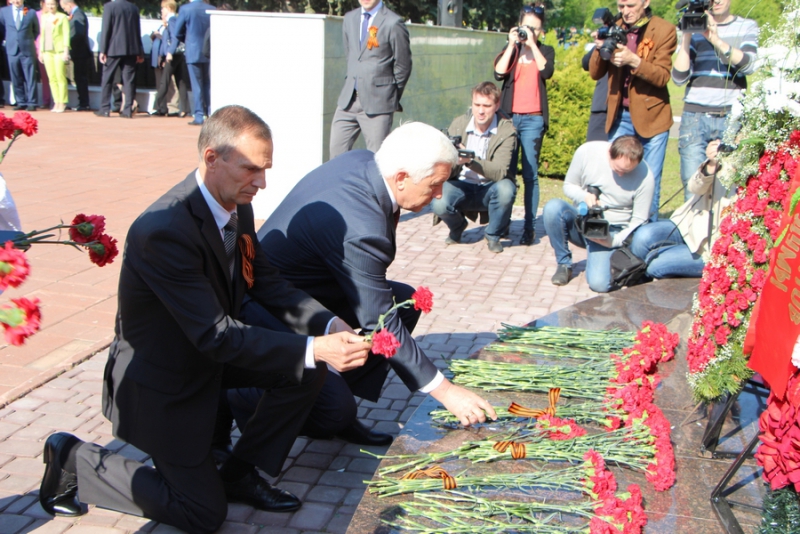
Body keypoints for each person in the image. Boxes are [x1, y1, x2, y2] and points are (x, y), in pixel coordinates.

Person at [37, 106, 373, 532]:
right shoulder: (165, 230)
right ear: (212, 158)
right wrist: (313, 347)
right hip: (165, 381)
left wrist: (326, 325)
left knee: (304, 371)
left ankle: (237, 472)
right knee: (202, 514)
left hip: (209, 356)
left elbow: (263, 280)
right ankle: (73, 457)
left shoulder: (235, 201)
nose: (262, 183)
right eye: (252, 169)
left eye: (265, 169)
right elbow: (214, 334)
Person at [223, 123, 497, 449]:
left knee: (406, 301)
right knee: (335, 411)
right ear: (401, 178)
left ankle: (335, 385)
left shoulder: (366, 161)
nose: (439, 195)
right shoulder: (362, 226)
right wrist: (446, 391)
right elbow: (380, 320)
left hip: (313, 287)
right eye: (435, 185)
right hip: (272, 306)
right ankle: (256, 399)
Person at [588, 0, 676, 221]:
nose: (625, 12)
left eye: (631, 5)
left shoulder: (664, 29)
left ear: (646, 2)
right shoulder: (614, 26)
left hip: (653, 117)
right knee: (614, 176)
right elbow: (595, 72)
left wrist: (634, 60)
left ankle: (646, 238)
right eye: (621, 6)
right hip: (620, 116)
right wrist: (600, 47)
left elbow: (663, 76)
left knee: (650, 182)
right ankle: (614, 230)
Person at [542, 136, 653, 292]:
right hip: (583, 221)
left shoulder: (645, 175)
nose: (621, 175)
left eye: (628, 171)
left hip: (611, 231)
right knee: (552, 208)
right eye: (618, 169)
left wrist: (613, 241)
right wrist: (584, 196)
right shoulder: (587, 152)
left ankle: (613, 262)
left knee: (599, 284)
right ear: (609, 153)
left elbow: (640, 220)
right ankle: (563, 263)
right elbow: (569, 185)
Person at [672, 0, 758, 200]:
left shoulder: (746, 26)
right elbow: (678, 77)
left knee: (731, 188)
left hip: (731, 116)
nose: (717, 1)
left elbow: (749, 66)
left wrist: (715, 39)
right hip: (695, 116)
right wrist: (687, 35)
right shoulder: (693, 30)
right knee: (693, 187)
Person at [431, 81, 517, 253]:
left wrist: (470, 160)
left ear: (497, 105)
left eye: (487, 105)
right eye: (477, 104)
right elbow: (445, 166)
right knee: (438, 200)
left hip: (490, 186)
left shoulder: (507, 131)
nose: (481, 111)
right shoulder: (459, 123)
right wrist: (452, 161)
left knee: (507, 189)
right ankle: (457, 227)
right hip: (462, 184)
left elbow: (500, 172)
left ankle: (493, 235)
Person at [494, 4, 555, 246]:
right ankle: (502, 224)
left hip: (533, 119)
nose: (531, 32)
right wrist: (511, 45)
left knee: (530, 175)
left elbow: (547, 71)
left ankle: (529, 228)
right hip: (509, 118)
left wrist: (532, 45)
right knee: (506, 173)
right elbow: (499, 72)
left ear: (542, 31)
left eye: (536, 29)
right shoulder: (513, 49)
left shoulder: (545, 50)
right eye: (527, 27)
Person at [630, 139, 733, 278]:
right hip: (688, 224)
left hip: (709, 248)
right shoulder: (728, 155)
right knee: (642, 236)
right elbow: (695, 187)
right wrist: (711, 165)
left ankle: (647, 273)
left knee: (656, 265)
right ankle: (635, 277)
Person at [329, 0, 411, 158]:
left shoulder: (393, 23)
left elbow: (403, 65)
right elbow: (352, 57)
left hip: (378, 105)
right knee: (335, 156)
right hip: (348, 101)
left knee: (377, 160)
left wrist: (388, 96)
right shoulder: (349, 19)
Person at [169, 0, 215, 125]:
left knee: (197, 84)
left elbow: (177, 32)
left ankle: (199, 114)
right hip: (209, 50)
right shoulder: (212, 9)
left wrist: (183, 41)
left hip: (193, 50)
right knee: (207, 83)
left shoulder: (186, 9)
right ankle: (210, 112)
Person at [95, 0, 143, 118]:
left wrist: (103, 50)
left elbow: (106, 28)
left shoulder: (109, 7)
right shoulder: (134, 8)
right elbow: (137, 30)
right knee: (129, 80)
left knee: (107, 78)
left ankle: (105, 108)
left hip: (114, 48)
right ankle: (127, 110)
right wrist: (139, 50)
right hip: (131, 49)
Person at [0, 0, 40, 111]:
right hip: (12, 49)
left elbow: (36, 30)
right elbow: (2, 29)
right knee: (15, 76)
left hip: (27, 49)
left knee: (30, 77)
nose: (17, 1)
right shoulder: (3, 12)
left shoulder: (30, 12)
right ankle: (21, 101)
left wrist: (27, 40)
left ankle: (32, 102)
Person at [38, 0, 69, 113]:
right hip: (47, 51)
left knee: (60, 76)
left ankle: (62, 101)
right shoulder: (44, 17)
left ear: (56, 5)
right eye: (48, 4)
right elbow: (42, 35)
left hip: (59, 51)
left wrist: (66, 50)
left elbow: (66, 34)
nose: (50, 6)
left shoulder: (62, 17)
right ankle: (56, 101)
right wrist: (41, 51)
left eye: (53, 4)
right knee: (52, 78)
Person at [59, 0, 91, 111]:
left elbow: (78, 33)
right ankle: (83, 102)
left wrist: (67, 43)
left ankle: (84, 103)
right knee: (79, 78)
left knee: (80, 78)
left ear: (69, 4)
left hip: (80, 52)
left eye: (64, 7)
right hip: (79, 52)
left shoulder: (78, 15)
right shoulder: (75, 14)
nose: (64, 10)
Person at [582, 42, 608, 142]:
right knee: (595, 149)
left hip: (627, 109)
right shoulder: (609, 40)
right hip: (602, 105)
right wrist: (600, 45)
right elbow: (585, 62)